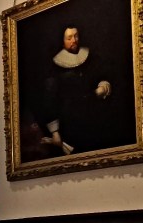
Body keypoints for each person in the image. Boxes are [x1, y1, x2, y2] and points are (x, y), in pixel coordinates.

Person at [39, 25, 119, 155]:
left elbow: (101, 75)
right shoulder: (55, 66)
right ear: (62, 41)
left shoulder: (90, 56)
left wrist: (103, 85)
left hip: (94, 116)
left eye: (76, 36)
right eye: (69, 38)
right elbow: (50, 100)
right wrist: (55, 132)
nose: (74, 40)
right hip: (70, 122)